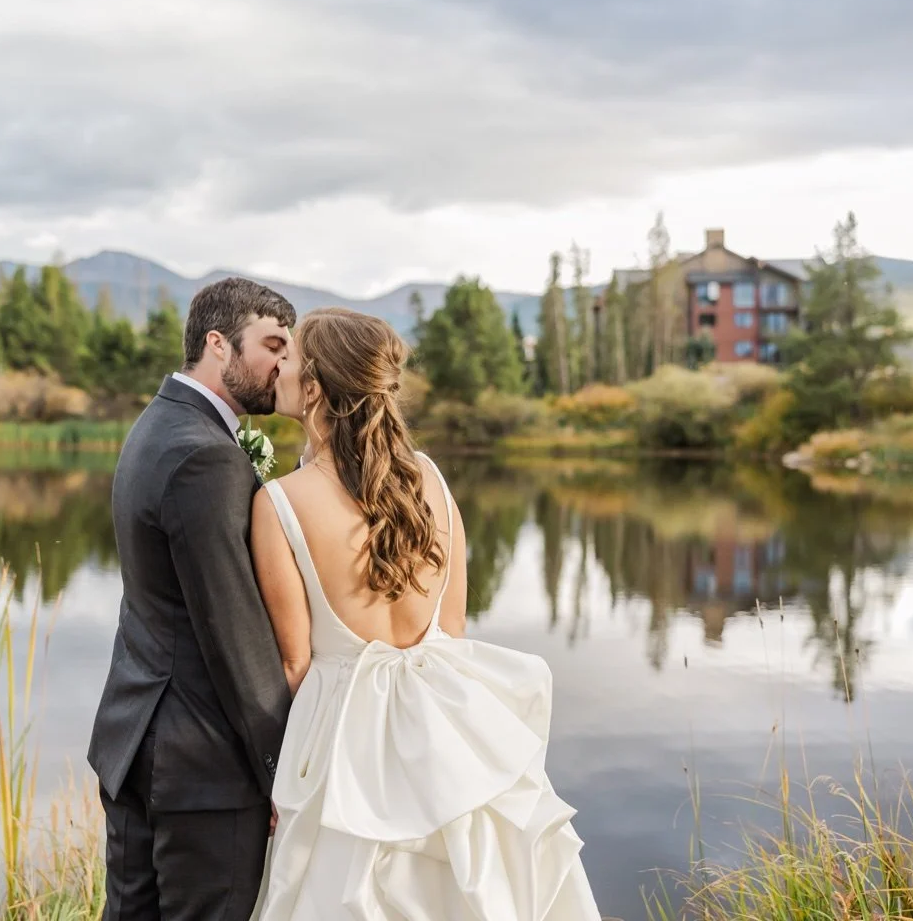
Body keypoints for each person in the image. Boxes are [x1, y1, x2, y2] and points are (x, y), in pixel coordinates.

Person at [249, 307, 602, 920]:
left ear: (314, 388)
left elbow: (295, 662)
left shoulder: (278, 502)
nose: (279, 366)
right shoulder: (430, 478)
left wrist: (281, 776)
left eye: (293, 358)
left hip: (343, 741)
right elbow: (455, 628)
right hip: (445, 723)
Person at [88, 277, 297, 920]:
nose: (284, 364)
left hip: (136, 742)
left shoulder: (156, 427)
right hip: (202, 768)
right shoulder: (207, 457)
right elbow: (233, 633)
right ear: (218, 344)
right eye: (272, 344)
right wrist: (277, 769)